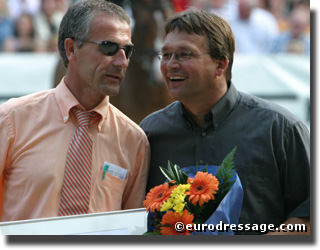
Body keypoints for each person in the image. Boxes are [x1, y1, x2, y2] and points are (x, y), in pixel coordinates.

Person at [139, 9, 310, 235]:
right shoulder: (150, 132)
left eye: (184, 54)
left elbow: (308, 218)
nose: (170, 64)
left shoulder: (280, 129)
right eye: (166, 54)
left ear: (220, 65)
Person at [0, 0, 150, 222]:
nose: (122, 61)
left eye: (127, 50)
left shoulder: (134, 140)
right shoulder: (12, 120)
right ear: (71, 49)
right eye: (108, 47)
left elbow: (130, 231)